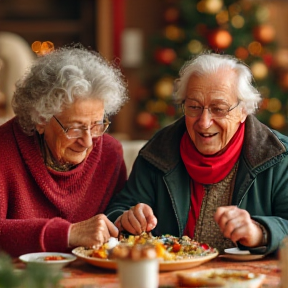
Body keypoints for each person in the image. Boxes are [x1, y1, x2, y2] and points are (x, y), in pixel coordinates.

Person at [106, 52, 288, 255]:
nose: (203, 122)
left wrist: (260, 232)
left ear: (243, 110)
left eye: (218, 109)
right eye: (194, 107)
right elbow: (117, 211)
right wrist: (125, 219)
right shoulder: (158, 151)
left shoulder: (278, 156)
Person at [0, 44, 128, 257]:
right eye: (75, 127)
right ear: (40, 118)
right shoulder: (4, 150)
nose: (88, 141)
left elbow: (114, 225)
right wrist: (68, 233)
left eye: (97, 125)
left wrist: (127, 219)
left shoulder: (110, 153)